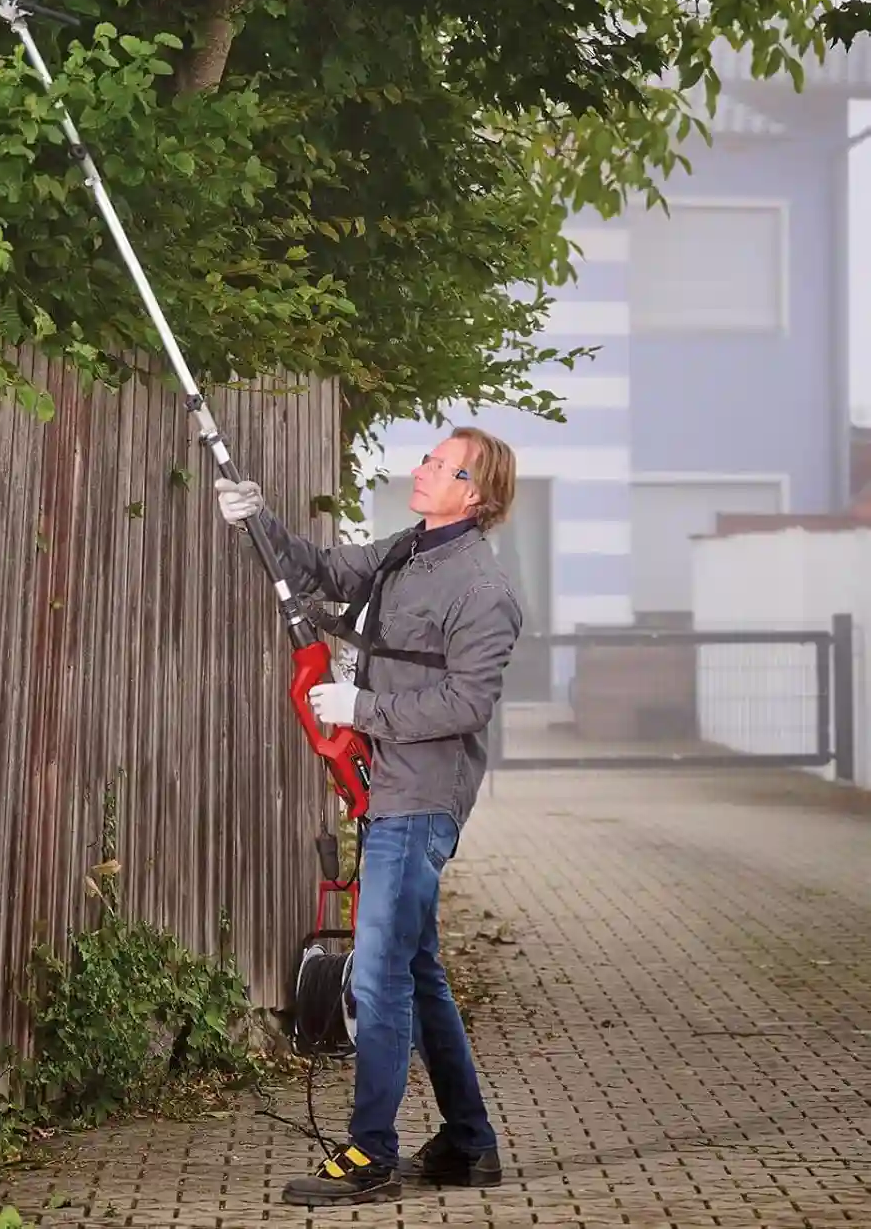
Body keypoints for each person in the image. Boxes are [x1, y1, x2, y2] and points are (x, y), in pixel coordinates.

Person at [215, 426, 522, 1208]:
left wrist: (364, 706)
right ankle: (467, 1143)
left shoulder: (482, 591)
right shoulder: (405, 549)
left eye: (442, 466)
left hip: (424, 797)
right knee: (418, 972)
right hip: (389, 789)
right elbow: (318, 569)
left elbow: (466, 703)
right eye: (427, 457)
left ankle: (370, 1153)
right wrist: (257, 518)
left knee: (380, 976)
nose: (423, 470)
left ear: (476, 495)